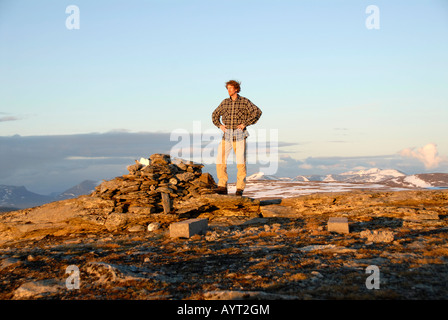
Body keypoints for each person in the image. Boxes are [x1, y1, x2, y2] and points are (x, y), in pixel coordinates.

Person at [212, 80, 262, 196]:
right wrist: (220, 125)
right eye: (227, 88)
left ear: (236, 89)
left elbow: (257, 112)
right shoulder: (224, 102)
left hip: (239, 134)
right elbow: (214, 114)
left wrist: (245, 124)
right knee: (220, 160)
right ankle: (222, 186)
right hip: (227, 134)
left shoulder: (244, 101)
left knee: (240, 163)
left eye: (231, 88)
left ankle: (240, 189)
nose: (229, 90)